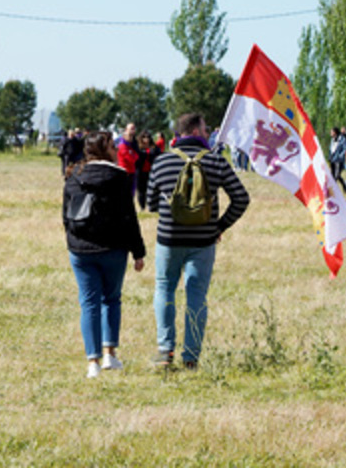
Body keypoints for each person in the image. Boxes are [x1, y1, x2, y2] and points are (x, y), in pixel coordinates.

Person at [146, 113, 249, 370]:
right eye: (205, 128)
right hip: (203, 240)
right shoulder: (216, 161)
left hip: (168, 239)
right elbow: (241, 198)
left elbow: (150, 203)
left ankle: (165, 349)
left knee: (164, 288)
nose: (208, 132)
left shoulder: (162, 161)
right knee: (196, 295)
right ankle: (191, 356)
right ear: (194, 130)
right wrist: (219, 226)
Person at [62, 130, 145, 378]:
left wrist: (72, 241)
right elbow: (129, 217)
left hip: (80, 248)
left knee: (89, 303)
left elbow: (65, 214)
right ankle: (110, 355)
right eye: (112, 145)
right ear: (104, 149)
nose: (116, 149)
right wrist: (138, 252)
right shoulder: (119, 177)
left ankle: (92, 363)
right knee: (111, 299)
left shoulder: (73, 175)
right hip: (113, 248)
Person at [328, 127, 346, 193]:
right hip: (332, 160)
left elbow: (345, 148)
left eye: (332, 132)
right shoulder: (332, 139)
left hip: (339, 161)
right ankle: (344, 186)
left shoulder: (342, 139)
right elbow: (331, 149)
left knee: (336, 175)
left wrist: (340, 156)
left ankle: (334, 191)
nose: (330, 133)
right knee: (333, 175)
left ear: (335, 132)